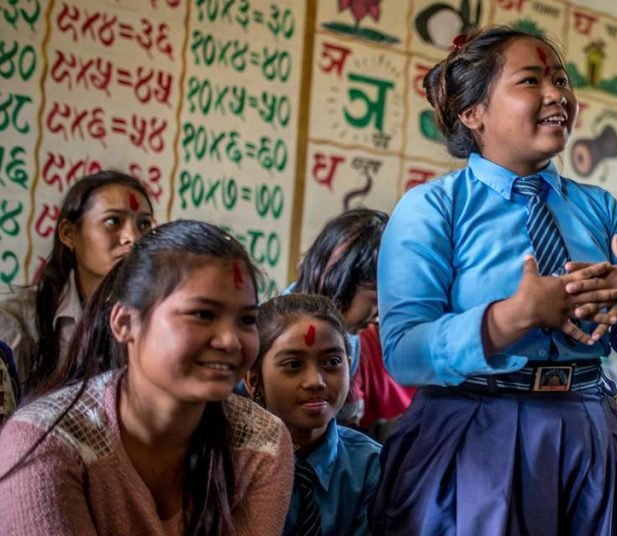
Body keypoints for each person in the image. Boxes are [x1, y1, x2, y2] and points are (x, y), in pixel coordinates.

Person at [371, 26, 617, 535]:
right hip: (475, 431)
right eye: (530, 81)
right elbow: (404, 352)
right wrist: (511, 318)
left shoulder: (598, 209)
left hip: (587, 432)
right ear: (473, 113)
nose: (557, 94)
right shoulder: (434, 207)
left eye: (561, 80)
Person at [0, 220, 293, 535]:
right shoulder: (44, 443)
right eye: (203, 314)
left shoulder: (260, 442)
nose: (231, 341)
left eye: (247, 319)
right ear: (125, 322)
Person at [0, 170, 154, 397]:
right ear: (69, 234)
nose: (132, 237)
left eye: (144, 225)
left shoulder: (158, 318)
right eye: (113, 221)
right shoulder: (17, 322)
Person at [245, 293, 381, 536]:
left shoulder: (372, 467)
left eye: (332, 361)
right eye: (293, 365)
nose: (315, 382)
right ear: (254, 381)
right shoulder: (228, 463)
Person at [291, 208, 388, 424]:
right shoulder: (269, 332)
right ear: (339, 277)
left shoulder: (350, 339)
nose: (378, 316)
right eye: (376, 299)